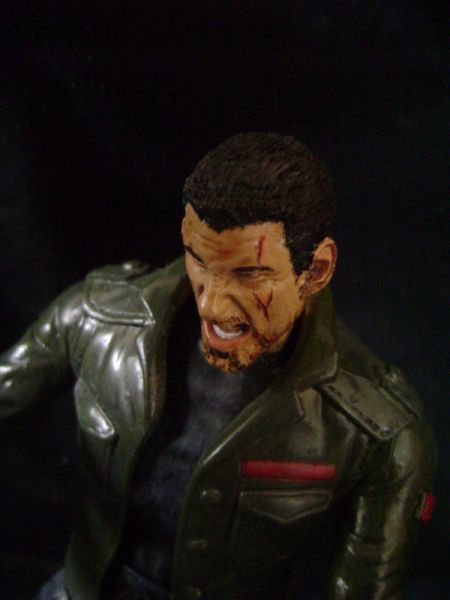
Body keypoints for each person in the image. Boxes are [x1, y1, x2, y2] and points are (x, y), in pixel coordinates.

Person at [0, 133, 436, 600]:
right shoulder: (96, 320)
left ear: (316, 271)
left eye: (249, 274)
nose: (211, 304)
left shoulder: (379, 428)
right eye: (199, 261)